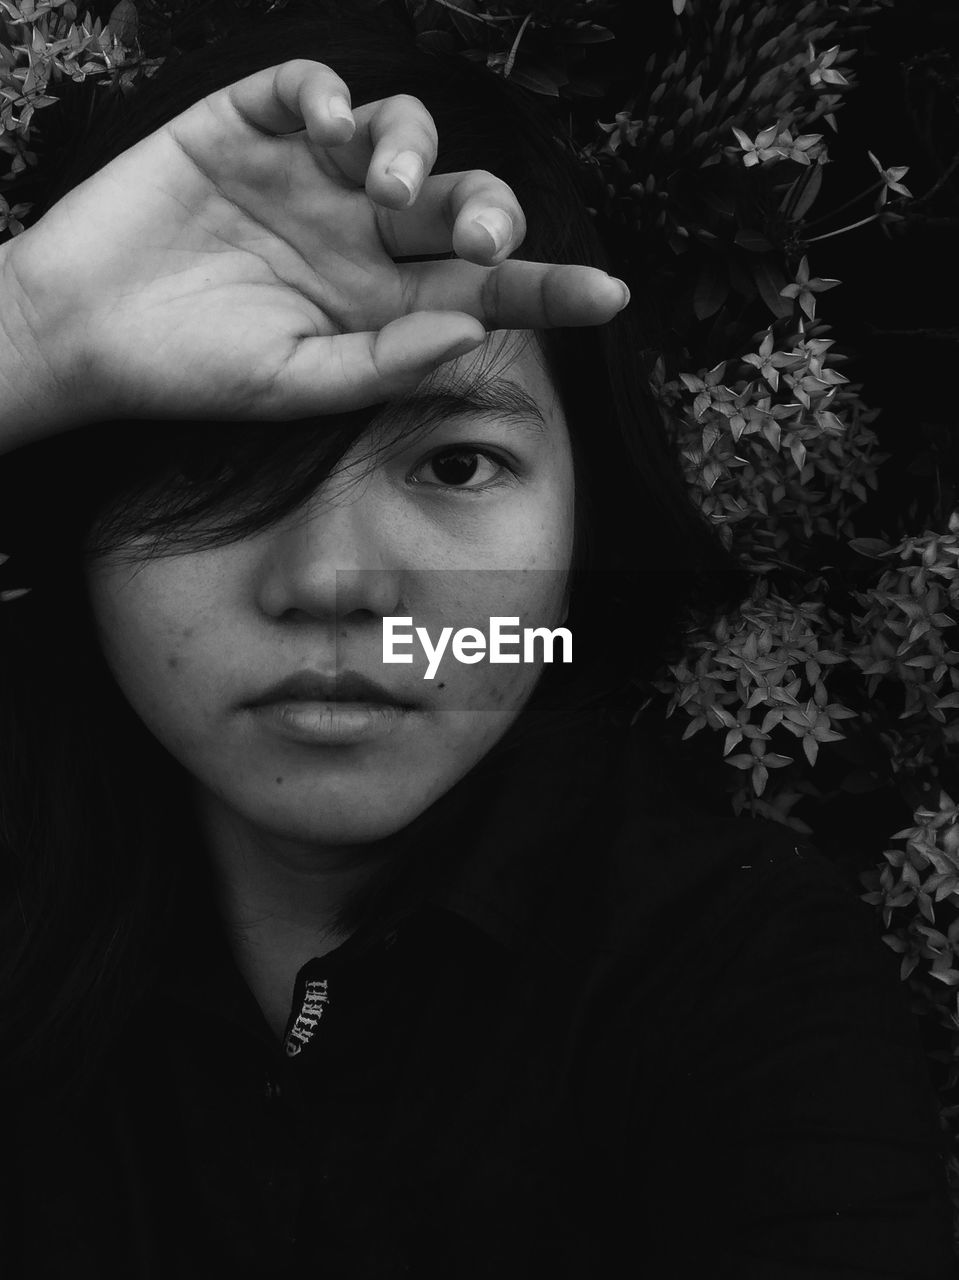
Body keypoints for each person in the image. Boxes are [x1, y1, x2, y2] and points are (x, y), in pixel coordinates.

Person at [0, 5, 954, 1277]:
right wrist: (29, 329)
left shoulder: (734, 977)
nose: (334, 581)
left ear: (581, 525)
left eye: (456, 461)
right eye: (206, 461)